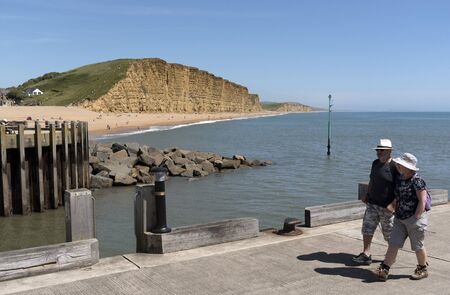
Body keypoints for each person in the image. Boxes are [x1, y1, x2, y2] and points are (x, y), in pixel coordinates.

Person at [374, 153, 429, 281]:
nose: (398, 165)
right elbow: (399, 196)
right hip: (399, 217)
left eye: (401, 164)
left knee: (417, 246)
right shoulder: (400, 178)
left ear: (407, 167)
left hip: (415, 219)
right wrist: (392, 206)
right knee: (394, 243)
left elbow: (423, 201)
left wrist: (417, 217)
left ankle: (422, 268)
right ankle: (385, 268)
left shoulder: (418, 181)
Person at [352, 139, 398, 265]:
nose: (378, 152)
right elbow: (372, 180)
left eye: (381, 150)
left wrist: (393, 205)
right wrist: (366, 194)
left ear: (389, 151)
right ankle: (366, 254)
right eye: (377, 150)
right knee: (367, 229)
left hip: (387, 208)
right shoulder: (375, 163)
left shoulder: (395, 167)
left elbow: (401, 188)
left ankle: (390, 257)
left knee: (389, 235)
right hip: (372, 204)